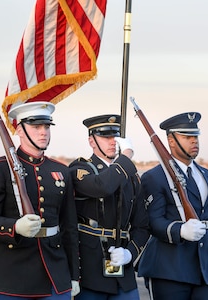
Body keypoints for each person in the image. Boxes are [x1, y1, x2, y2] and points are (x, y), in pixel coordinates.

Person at [0, 102, 80, 299]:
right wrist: (14, 227)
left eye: (47, 127)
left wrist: (74, 275)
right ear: (19, 130)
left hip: (55, 273)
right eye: (36, 127)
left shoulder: (60, 171)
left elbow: (69, 227)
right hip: (13, 276)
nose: (43, 132)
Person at [137, 112, 208, 300]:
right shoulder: (154, 177)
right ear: (171, 141)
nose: (194, 141)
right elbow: (153, 221)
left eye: (195, 136)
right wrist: (180, 230)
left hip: (206, 270)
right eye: (187, 137)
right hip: (169, 270)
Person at [69, 114, 150, 299]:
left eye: (116, 136)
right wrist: (126, 157)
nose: (113, 141)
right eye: (106, 136)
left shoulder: (132, 177)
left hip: (123, 274)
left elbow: (142, 226)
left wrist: (129, 253)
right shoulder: (80, 170)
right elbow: (102, 186)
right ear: (91, 141)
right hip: (90, 274)